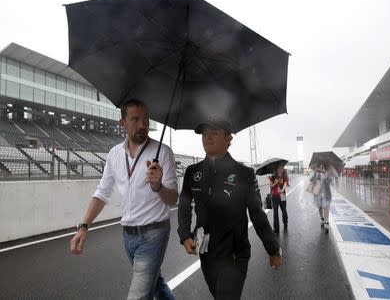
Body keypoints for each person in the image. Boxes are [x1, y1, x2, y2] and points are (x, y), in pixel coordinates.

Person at [70, 99, 178, 300]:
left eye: (145, 119)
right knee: (156, 286)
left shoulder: (163, 152)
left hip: (154, 232)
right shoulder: (114, 154)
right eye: (135, 119)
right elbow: (102, 192)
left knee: (139, 295)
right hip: (128, 235)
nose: (143, 124)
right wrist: (84, 226)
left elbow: (172, 200)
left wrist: (159, 186)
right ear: (123, 123)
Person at [177, 120, 282, 300]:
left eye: (214, 133)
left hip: (234, 254)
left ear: (228, 139)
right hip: (205, 251)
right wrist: (185, 235)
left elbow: (257, 215)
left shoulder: (244, 173)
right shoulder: (192, 172)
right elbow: (184, 205)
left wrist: (273, 249)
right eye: (204, 134)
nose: (207, 137)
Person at [310, 164, 333, 233]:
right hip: (318, 193)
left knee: (326, 208)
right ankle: (322, 219)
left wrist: (325, 173)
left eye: (322, 166)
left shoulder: (327, 173)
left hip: (326, 194)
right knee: (319, 208)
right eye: (319, 167)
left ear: (324, 167)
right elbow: (311, 180)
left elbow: (330, 181)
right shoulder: (316, 173)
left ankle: (327, 222)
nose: (321, 168)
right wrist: (315, 173)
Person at [269, 165, 289, 233]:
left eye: (282, 168)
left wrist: (282, 190)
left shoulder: (284, 176)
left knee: (284, 212)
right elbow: (271, 186)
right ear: (276, 169)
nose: (280, 169)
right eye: (279, 168)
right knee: (275, 213)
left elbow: (285, 184)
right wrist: (276, 182)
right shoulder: (273, 177)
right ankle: (276, 229)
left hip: (282, 196)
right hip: (274, 197)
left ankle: (285, 222)